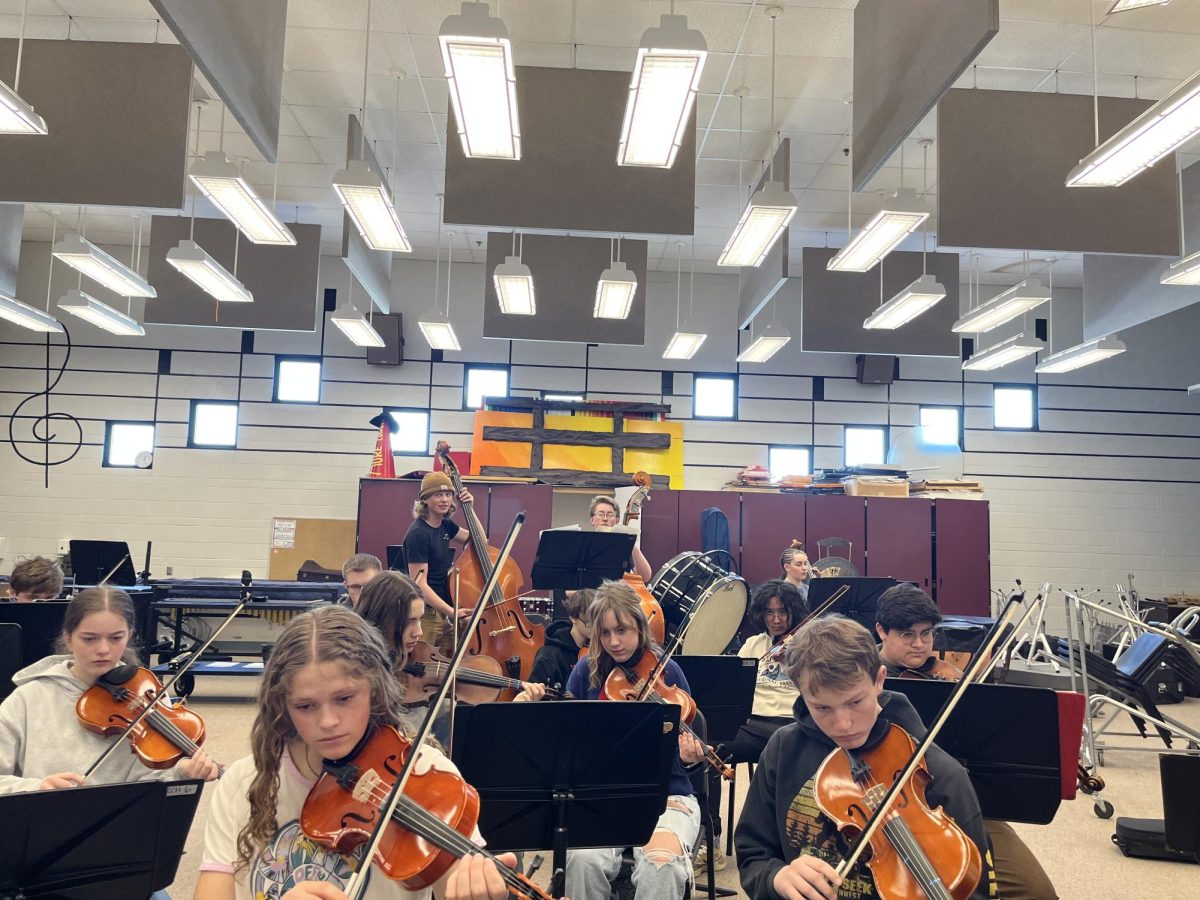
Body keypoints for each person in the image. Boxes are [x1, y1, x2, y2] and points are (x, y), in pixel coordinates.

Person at [194, 604, 517, 900]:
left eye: (344, 698)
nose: (328, 722)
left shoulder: (426, 773)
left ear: (375, 688)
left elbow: (450, 879)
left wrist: (475, 888)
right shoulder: (242, 782)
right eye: (305, 706)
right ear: (282, 705)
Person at [735, 615, 993, 900]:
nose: (843, 724)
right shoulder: (783, 749)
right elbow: (753, 854)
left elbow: (974, 888)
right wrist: (777, 877)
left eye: (855, 702)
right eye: (822, 708)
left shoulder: (936, 771)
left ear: (879, 680)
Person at [518, 581, 705, 900]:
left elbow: (685, 737)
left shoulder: (667, 670)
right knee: (582, 860)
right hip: (603, 795)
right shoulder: (584, 672)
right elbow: (567, 742)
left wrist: (689, 758)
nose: (614, 642)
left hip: (668, 793)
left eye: (622, 630)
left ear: (640, 626)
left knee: (662, 866)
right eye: (605, 633)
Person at [875, 584, 1058, 900]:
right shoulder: (862, 681)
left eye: (927, 634)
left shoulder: (946, 676)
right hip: (889, 806)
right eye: (907, 635)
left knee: (1035, 891)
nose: (920, 645)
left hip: (962, 797)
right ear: (881, 631)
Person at [0, 586, 220, 794]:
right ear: (68, 639)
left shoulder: (147, 690)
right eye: (89, 639)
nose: (103, 650)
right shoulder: (28, 699)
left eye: (116, 638)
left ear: (129, 635)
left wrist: (181, 773)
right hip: (43, 820)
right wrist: (37, 787)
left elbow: (151, 779)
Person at [695, 580, 808, 874]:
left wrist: (796, 659)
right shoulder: (753, 645)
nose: (776, 619)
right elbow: (734, 688)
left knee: (796, 763)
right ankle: (711, 838)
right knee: (708, 754)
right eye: (769, 613)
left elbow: (819, 687)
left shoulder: (808, 643)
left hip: (790, 723)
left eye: (782, 612)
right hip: (750, 722)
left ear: (793, 612)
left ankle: (788, 845)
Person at [403, 472, 482, 651]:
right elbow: (420, 585)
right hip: (425, 614)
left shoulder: (446, 525)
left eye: (448, 494)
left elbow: (480, 542)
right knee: (422, 666)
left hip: (443, 610)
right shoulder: (418, 534)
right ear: (425, 500)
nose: (444, 500)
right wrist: (452, 612)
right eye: (438, 495)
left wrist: (470, 509)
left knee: (446, 665)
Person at [526, 587, 595, 693]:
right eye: (590, 622)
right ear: (573, 618)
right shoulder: (549, 656)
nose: (596, 628)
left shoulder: (599, 647)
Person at [589, 496, 653, 582]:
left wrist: (631, 543)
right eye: (600, 514)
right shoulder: (584, 544)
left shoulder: (623, 545)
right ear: (592, 519)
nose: (604, 519)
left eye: (610, 515)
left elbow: (645, 577)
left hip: (616, 593)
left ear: (616, 520)